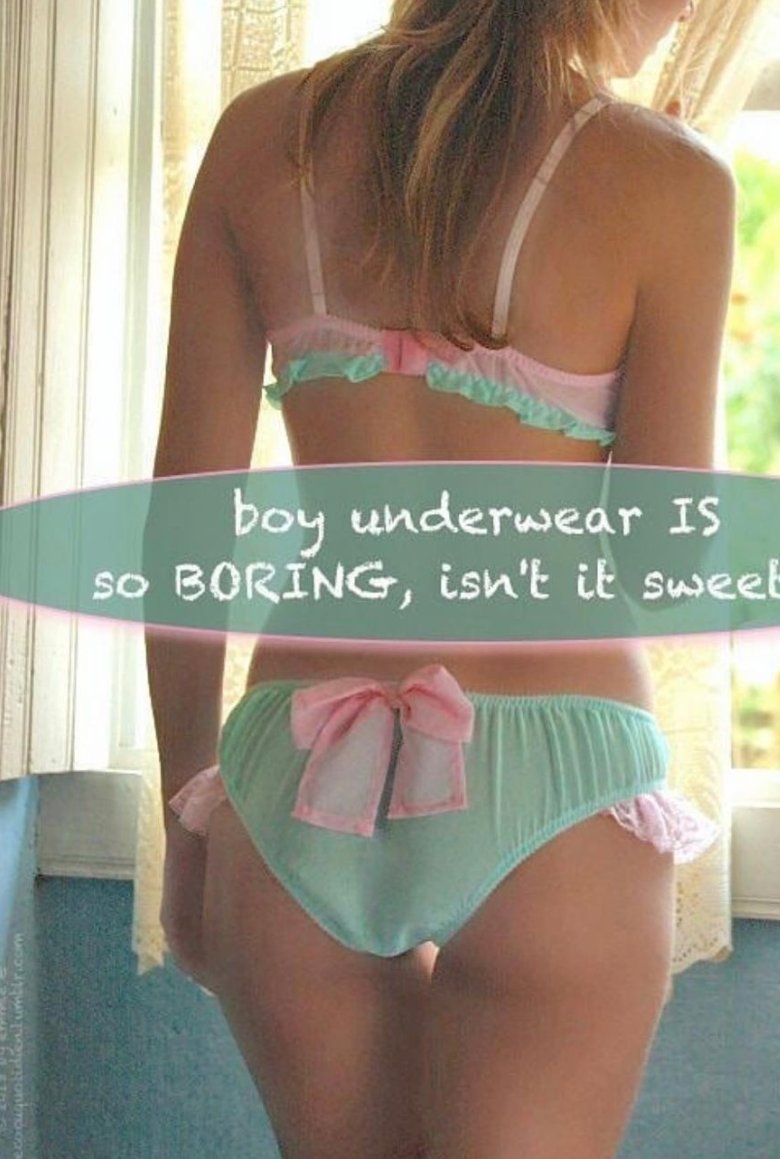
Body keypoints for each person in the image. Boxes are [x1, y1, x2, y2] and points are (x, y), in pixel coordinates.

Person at [150, 0, 734, 1155]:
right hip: (553, 780)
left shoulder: (261, 137)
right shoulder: (667, 177)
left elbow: (182, 532)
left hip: (292, 772)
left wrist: (189, 813)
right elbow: (665, 567)